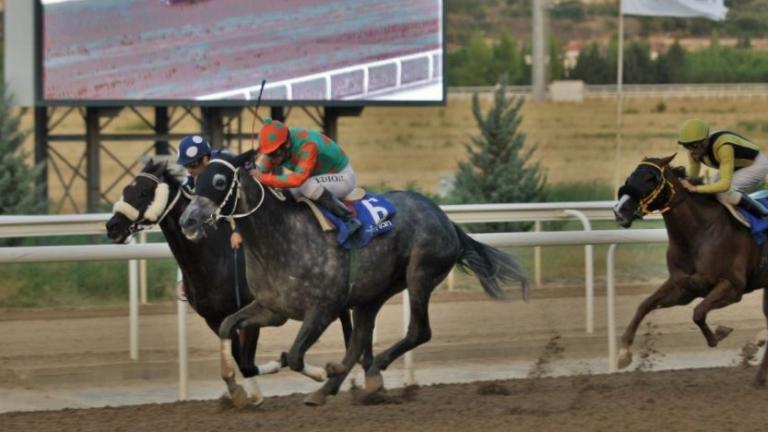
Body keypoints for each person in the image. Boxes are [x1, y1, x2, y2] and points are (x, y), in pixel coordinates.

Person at [249, 118, 362, 240]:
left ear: (286, 145)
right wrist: (250, 171)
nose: (272, 159)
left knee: (307, 185)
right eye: (269, 154)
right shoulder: (280, 146)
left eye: (274, 154)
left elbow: (297, 179)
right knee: (285, 194)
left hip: (343, 176)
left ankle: (348, 219)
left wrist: (264, 178)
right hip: (319, 177)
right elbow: (260, 172)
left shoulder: (308, 145)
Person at [677, 118, 768, 217]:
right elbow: (692, 178)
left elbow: (725, 185)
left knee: (723, 193)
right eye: (686, 146)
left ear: (705, 141)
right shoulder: (694, 151)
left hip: (756, 165)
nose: (691, 151)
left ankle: (763, 214)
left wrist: (695, 188)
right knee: (710, 188)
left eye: (694, 146)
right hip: (736, 167)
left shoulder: (724, 147)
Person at [177, 134, 242, 249]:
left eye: (192, 165)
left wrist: (238, 231)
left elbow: (243, 203)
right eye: (185, 165)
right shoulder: (191, 175)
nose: (189, 170)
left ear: (205, 159)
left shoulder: (226, 164)